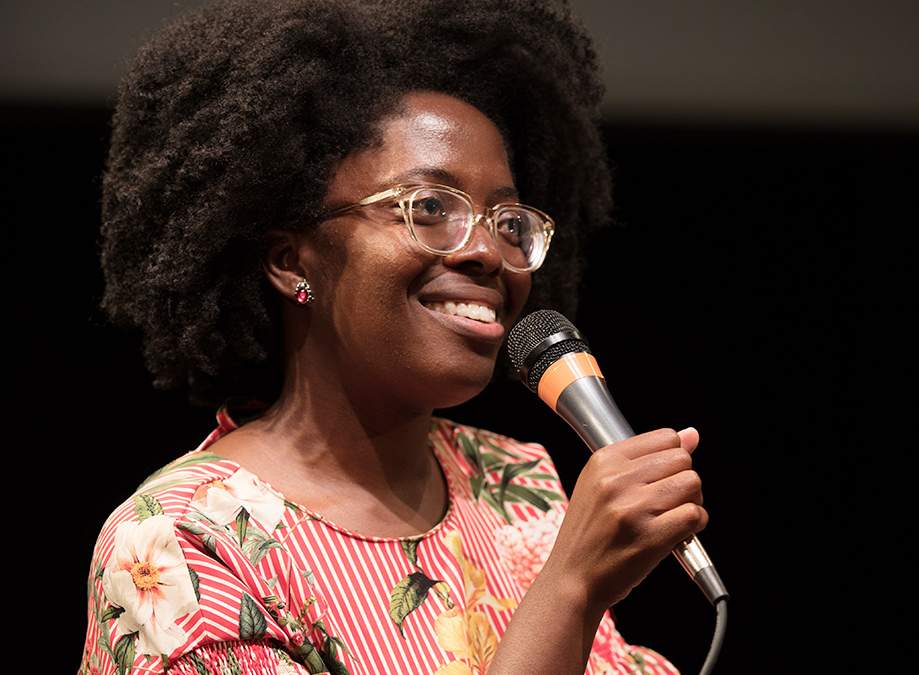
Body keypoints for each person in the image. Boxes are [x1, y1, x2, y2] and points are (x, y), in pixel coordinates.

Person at [80, 1, 708, 674]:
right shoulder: (183, 541)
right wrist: (569, 586)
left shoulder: (512, 481)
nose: (488, 254)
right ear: (293, 261)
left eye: (507, 221)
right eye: (430, 208)